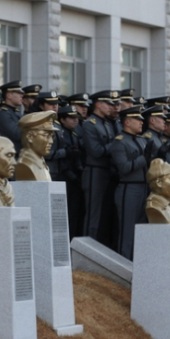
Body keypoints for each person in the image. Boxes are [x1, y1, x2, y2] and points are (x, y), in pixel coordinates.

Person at [110, 105, 149, 259]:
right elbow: (124, 168)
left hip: (143, 187)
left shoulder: (141, 140)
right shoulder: (120, 142)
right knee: (127, 231)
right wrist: (144, 158)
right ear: (127, 122)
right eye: (137, 119)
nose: (141, 122)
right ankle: (123, 264)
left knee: (140, 230)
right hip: (129, 188)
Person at [82, 90, 116, 245]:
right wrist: (116, 144)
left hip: (106, 171)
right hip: (94, 171)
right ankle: (88, 247)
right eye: (107, 103)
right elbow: (96, 151)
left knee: (104, 214)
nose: (111, 107)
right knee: (93, 214)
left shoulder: (108, 124)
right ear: (97, 104)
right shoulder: (89, 124)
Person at [58, 105, 85, 238]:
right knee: (66, 215)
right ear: (62, 120)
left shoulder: (74, 133)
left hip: (76, 178)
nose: (75, 120)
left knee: (76, 215)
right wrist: (73, 177)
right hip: (65, 178)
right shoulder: (60, 134)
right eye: (71, 118)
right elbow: (58, 159)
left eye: (76, 118)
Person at [0, 81, 24, 154]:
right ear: (9, 95)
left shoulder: (16, 112)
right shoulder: (3, 114)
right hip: (11, 156)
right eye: (18, 93)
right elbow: (17, 134)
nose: (21, 95)